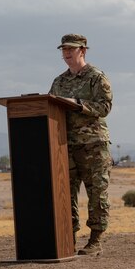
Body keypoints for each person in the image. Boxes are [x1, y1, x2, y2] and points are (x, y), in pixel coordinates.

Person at [49, 33, 113, 255]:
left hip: (93, 145)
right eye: (63, 49)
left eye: (71, 49)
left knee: (97, 193)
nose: (66, 53)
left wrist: (77, 104)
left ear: (83, 51)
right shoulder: (59, 82)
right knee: (66, 193)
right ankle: (68, 237)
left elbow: (104, 107)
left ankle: (95, 240)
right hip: (65, 145)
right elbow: (50, 107)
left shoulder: (96, 77)